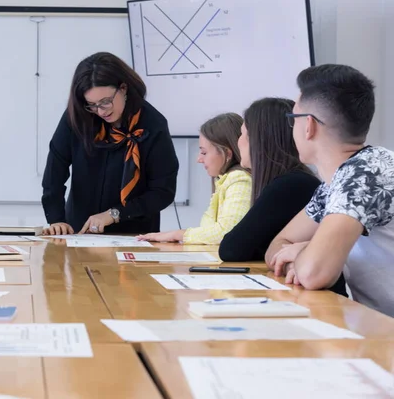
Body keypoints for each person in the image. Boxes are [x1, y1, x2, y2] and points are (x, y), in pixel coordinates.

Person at [266, 64, 394, 316]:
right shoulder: (335, 181)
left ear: (308, 126)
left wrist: (305, 251)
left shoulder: (365, 174)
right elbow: (279, 246)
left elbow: (314, 273)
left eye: (292, 119)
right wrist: (306, 251)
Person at [41, 52, 179, 236]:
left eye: (105, 102)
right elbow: (55, 170)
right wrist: (56, 218)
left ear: (123, 88)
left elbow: (163, 191)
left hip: (134, 233)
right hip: (80, 230)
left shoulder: (152, 126)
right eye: (92, 104)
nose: (100, 111)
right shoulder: (79, 117)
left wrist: (114, 214)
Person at [218, 98, 321, 261]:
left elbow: (231, 249)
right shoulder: (294, 180)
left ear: (261, 140)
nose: (238, 141)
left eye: (243, 134)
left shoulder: (290, 185)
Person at [137, 113, 251, 244]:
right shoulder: (223, 180)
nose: (199, 159)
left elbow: (228, 232)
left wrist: (177, 234)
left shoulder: (240, 180)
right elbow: (211, 230)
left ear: (227, 153)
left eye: (204, 152)